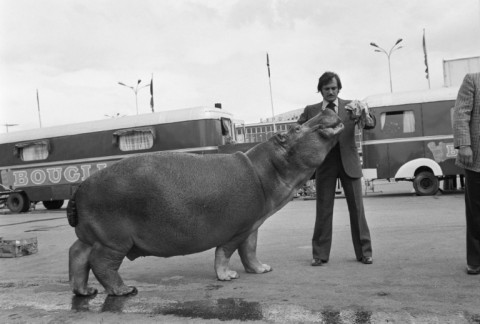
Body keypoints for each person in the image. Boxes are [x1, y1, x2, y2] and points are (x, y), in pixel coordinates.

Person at [297, 71, 375, 266]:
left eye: (334, 88)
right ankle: (319, 255)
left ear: (339, 88)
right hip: (324, 165)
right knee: (323, 210)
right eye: (326, 89)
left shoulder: (352, 106)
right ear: (320, 90)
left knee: (357, 210)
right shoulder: (311, 110)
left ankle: (365, 253)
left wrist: (364, 114)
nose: (330, 92)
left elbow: (370, 124)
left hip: (349, 163)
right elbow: (298, 132)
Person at [453, 72, 480, 275]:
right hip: (476, 159)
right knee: (476, 213)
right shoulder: (473, 79)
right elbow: (461, 113)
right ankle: (475, 260)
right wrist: (464, 145)